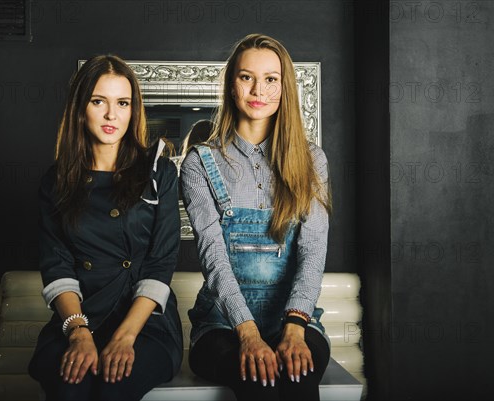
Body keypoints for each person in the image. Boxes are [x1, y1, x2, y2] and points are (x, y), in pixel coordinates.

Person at [180, 34, 332, 401]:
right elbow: (213, 258)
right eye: (247, 77)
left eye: (271, 79)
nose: (258, 89)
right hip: (221, 323)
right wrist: (247, 333)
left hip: (294, 318)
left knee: (298, 376)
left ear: (284, 87)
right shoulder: (200, 163)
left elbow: (312, 253)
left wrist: (295, 328)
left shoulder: (312, 161)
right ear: (232, 85)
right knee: (257, 379)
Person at [28, 54, 183, 401]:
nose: (112, 115)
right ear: (81, 108)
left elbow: (161, 263)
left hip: (145, 326)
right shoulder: (56, 181)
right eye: (99, 101)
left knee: (113, 387)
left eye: (123, 103)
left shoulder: (159, 172)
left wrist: (125, 337)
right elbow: (56, 264)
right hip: (79, 319)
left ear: (133, 110)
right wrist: (79, 332)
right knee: (71, 385)